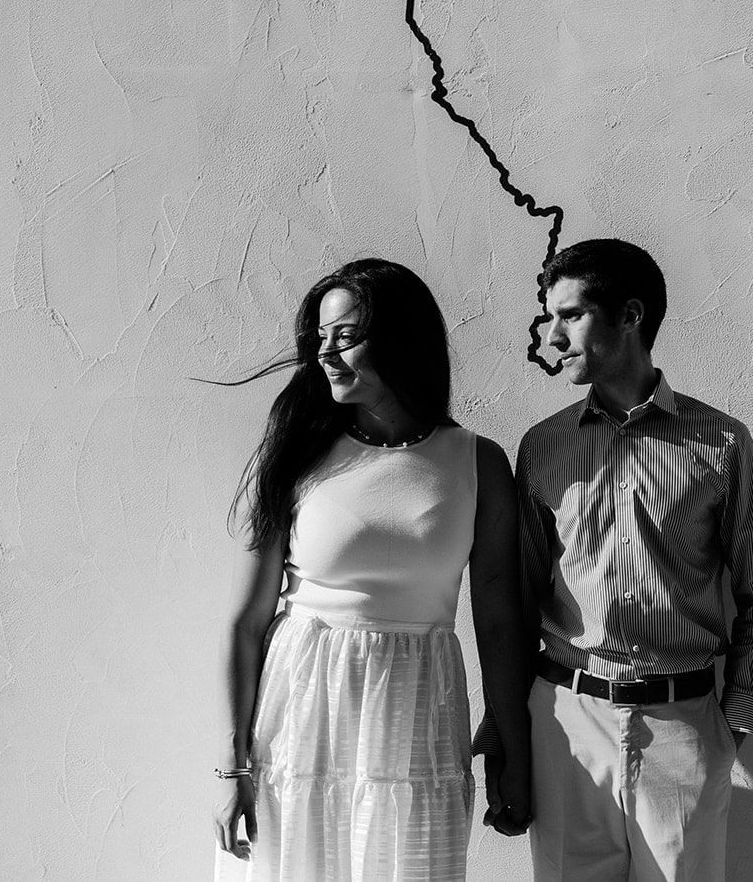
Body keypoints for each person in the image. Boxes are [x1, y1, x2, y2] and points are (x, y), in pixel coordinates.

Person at [210, 258, 532, 880]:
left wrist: (513, 755)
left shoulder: (477, 463)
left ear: (400, 341)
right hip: (300, 715)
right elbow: (245, 624)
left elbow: (498, 621)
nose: (325, 355)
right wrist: (233, 769)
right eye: (320, 339)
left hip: (419, 710)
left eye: (346, 338)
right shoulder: (295, 454)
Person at [508, 238, 753, 880]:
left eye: (569, 316)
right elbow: (518, 602)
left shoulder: (720, 443)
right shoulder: (543, 449)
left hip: (683, 727)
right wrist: (515, 723)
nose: (550, 336)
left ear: (629, 316)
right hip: (568, 726)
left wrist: (729, 728)